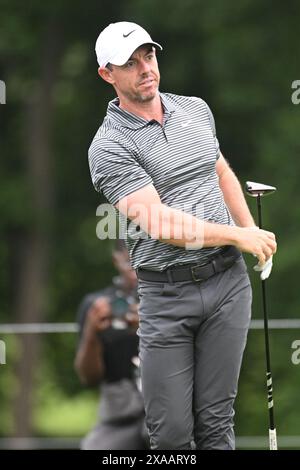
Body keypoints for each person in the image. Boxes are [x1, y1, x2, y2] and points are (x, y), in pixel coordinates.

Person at [88, 22, 277, 450]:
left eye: (148, 57)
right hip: (166, 296)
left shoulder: (195, 109)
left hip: (227, 283)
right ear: (107, 74)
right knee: (171, 436)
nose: (145, 69)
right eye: (130, 64)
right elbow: (161, 225)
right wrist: (237, 234)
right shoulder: (109, 146)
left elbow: (220, 171)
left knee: (216, 422)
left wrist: (249, 232)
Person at [74, 242, 148, 450]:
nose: (136, 272)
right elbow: (88, 378)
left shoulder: (176, 299)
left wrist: (150, 326)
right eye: (129, 262)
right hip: (119, 415)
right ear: (116, 259)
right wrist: (92, 334)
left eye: (143, 260)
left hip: (168, 409)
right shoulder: (96, 305)